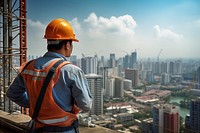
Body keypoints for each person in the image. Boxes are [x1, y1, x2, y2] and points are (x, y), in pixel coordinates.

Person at [6, 18, 92, 133]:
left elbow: (12, 93)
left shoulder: (29, 67)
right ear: (67, 45)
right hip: (64, 130)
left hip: (37, 128)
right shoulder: (71, 71)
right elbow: (86, 105)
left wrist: (36, 104)